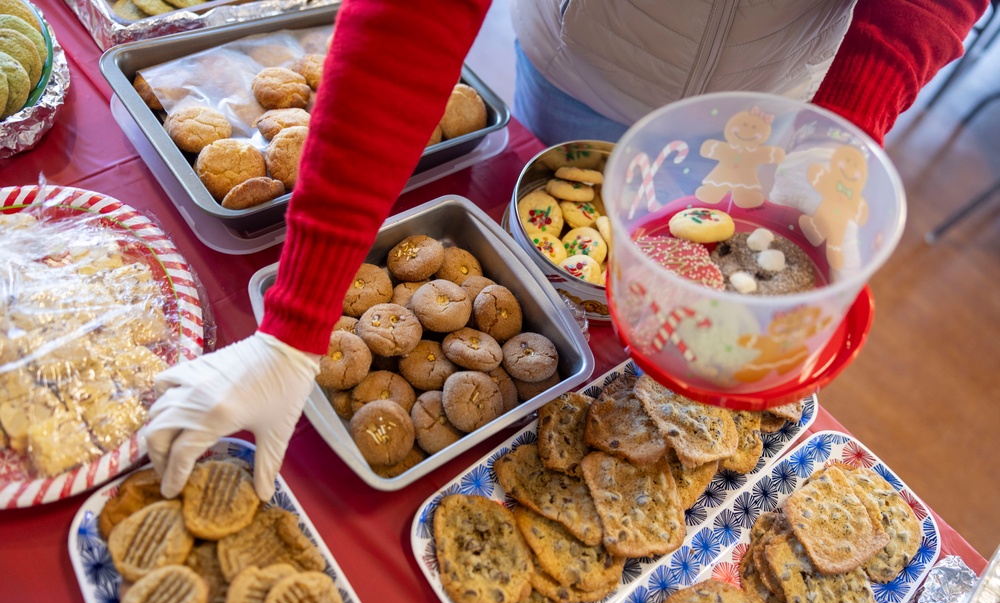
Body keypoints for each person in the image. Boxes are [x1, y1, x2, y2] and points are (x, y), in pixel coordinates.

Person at [142, 0, 987, 500]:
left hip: (770, 105)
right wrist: (295, 322)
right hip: (594, 60)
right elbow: (411, 21)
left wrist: (840, 130)